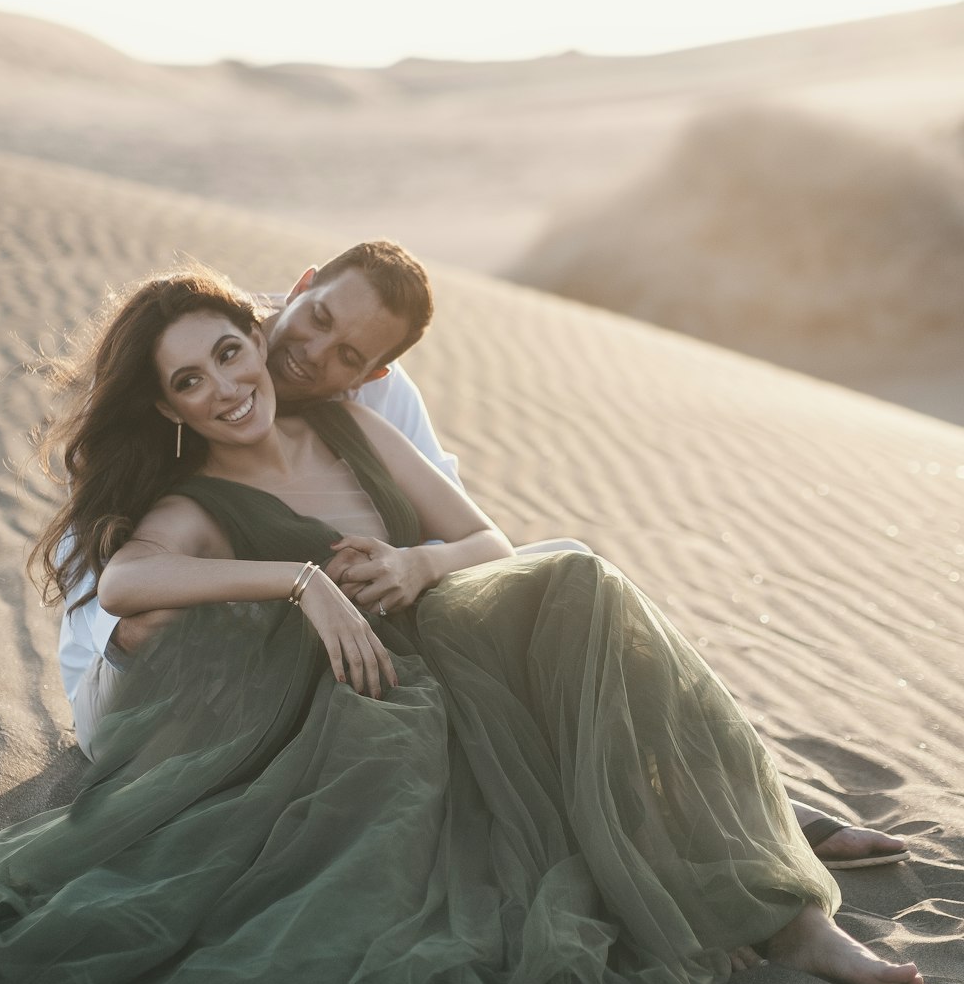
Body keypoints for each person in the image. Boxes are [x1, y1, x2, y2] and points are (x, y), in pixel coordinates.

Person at [0, 268, 922, 984]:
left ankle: (788, 907)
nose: (222, 386)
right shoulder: (195, 502)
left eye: (227, 351)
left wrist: (419, 562)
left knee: (579, 583)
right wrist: (301, 582)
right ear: (167, 408)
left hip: (461, 643)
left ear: (254, 339)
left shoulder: (348, 423)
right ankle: (745, 874)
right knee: (563, 674)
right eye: (187, 382)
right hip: (382, 710)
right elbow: (128, 582)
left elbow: (486, 538)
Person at [59, 241, 909, 871]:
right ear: (301, 287)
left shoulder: (370, 406)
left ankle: (732, 794)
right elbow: (115, 593)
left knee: (558, 587)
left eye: (348, 353)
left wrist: (414, 566)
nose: (312, 353)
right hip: (148, 674)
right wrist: (294, 583)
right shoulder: (201, 349)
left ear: (373, 367)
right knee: (173, 620)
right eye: (315, 318)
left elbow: (459, 543)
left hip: (339, 644)